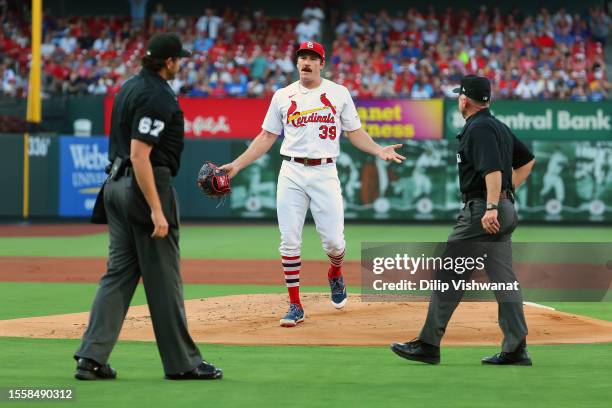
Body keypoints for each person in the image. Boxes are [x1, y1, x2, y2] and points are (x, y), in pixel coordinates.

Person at [220, 41, 405, 327]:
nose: (306, 62)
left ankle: (335, 272)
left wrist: (378, 150)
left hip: (324, 171)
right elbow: (267, 137)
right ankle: (295, 304)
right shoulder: (283, 96)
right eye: (302, 57)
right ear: (297, 63)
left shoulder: (338, 93)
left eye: (312, 58)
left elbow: (354, 132)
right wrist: (237, 165)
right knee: (289, 240)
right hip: (291, 170)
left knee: (333, 241)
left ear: (322, 63)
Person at [74, 33, 222, 381]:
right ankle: (183, 363)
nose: (180, 64)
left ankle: (91, 358)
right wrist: (156, 208)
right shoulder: (157, 95)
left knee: (118, 275)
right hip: (145, 186)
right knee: (164, 278)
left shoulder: (128, 87)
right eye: (178, 60)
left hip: (114, 184)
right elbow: (141, 154)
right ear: (168, 62)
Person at [390, 75, 536, 365]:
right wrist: (507, 194)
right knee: (504, 280)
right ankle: (516, 348)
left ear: (465, 100)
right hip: (503, 208)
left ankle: (428, 345)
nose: (458, 99)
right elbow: (527, 161)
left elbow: (492, 170)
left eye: (459, 95)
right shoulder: (498, 126)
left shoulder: (478, 127)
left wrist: (492, 205)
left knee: (449, 275)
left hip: (483, 210)